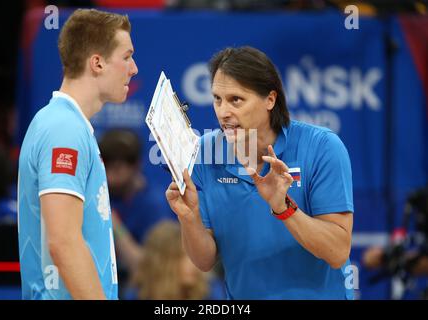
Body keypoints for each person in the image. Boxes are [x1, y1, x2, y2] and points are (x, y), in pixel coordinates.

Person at [165, 46, 354, 299]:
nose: (223, 112)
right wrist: (189, 218)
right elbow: (204, 261)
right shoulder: (203, 152)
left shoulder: (322, 146)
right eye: (217, 99)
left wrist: (283, 207)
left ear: (270, 99)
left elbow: (338, 252)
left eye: (236, 100)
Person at [17, 8, 138, 300]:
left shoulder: (69, 125)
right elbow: (63, 242)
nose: (133, 68)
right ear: (97, 63)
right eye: (126, 57)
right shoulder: (64, 130)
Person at [98, 129, 176, 292]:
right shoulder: (92, 195)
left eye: (126, 159)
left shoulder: (153, 204)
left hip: (136, 285)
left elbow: (151, 270)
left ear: (137, 164)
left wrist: (114, 224)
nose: (116, 167)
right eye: (108, 159)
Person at [126, 220, 225, 300]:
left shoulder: (210, 291)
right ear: (162, 262)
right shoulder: (137, 295)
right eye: (184, 256)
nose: (195, 264)